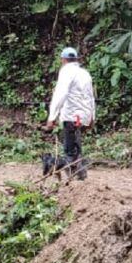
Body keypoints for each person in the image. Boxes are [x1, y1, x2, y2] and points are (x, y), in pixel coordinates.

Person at [44, 47, 95, 179]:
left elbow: (60, 94)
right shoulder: (84, 73)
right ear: (76, 59)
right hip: (83, 117)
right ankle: (80, 177)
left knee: (70, 151)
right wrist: (91, 118)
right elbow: (90, 97)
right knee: (75, 148)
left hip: (72, 116)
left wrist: (52, 117)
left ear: (63, 60)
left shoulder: (66, 72)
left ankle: (51, 164)